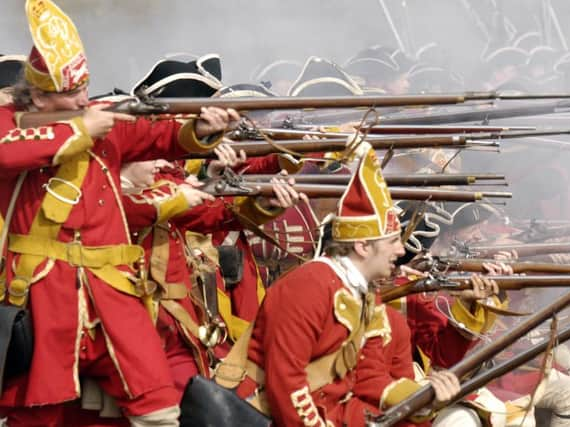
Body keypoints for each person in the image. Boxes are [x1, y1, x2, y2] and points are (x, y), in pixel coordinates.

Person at [0, 1, 238, 425]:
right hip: (42, 291)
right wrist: (77, 131)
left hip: (112, 294)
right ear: (38, 95)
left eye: (83, 88)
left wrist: (201, 130)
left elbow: (159, 134)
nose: (83, 99)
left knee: (158, 403)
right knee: (39, 412)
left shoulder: (104, 121)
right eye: (71, 94)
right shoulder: (11, 121)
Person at [205, 148, 462, 427]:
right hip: (260, 415)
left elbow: (369, 377)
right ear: (363, 246)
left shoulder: (365, 297)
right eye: (392, 242)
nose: (401, 250)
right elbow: (287, 384)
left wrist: (423, 398)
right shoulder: (308, 286)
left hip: (324, 412)